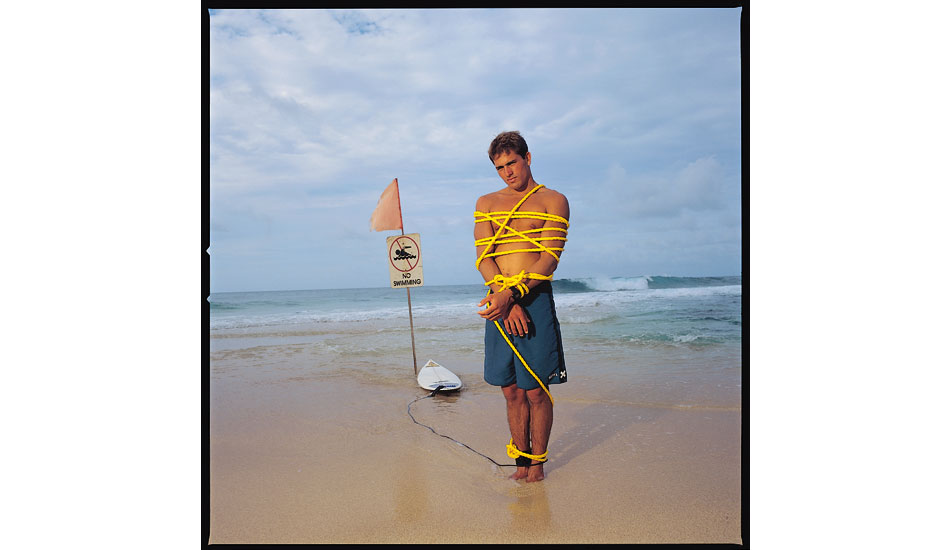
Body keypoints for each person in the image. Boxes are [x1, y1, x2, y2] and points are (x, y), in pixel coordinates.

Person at [474, 131, 570, 483]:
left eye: (512, 163)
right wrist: (502, 297)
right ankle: (520, 464)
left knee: (535, 391)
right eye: (500, 167)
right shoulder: (485, 202)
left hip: (533, 298)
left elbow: (549, 259)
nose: (508, 173)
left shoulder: (553, 200)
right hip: (499, 298)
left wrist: (511, 297)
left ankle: (538, 466)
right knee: (511, 390)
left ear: (527, 158)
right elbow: (484, 258)